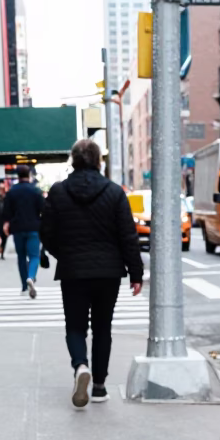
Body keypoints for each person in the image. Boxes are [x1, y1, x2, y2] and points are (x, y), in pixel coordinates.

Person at [40, 139, 143, 408]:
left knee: (75, 326)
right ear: (99, 160)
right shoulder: (114, 192)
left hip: (73, 270)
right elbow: (127, 236)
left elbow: (46, 233)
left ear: (73, 160)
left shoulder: (59, 191)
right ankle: (98, 386)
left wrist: (63, 254)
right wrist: (136, 272)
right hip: (108, 273)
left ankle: (80, 366)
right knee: (102, 328)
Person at [2, 164, 45, 298]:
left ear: (18, 176)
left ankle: (24, 287)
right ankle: (31, 277)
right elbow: (44, 210)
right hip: (33, 228)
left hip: (18, 228)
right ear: (29, 175)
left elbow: (6, 212)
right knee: (34, 256)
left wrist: (6, 224)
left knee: (21, 257)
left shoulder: (12, 192)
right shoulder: (36, 191)